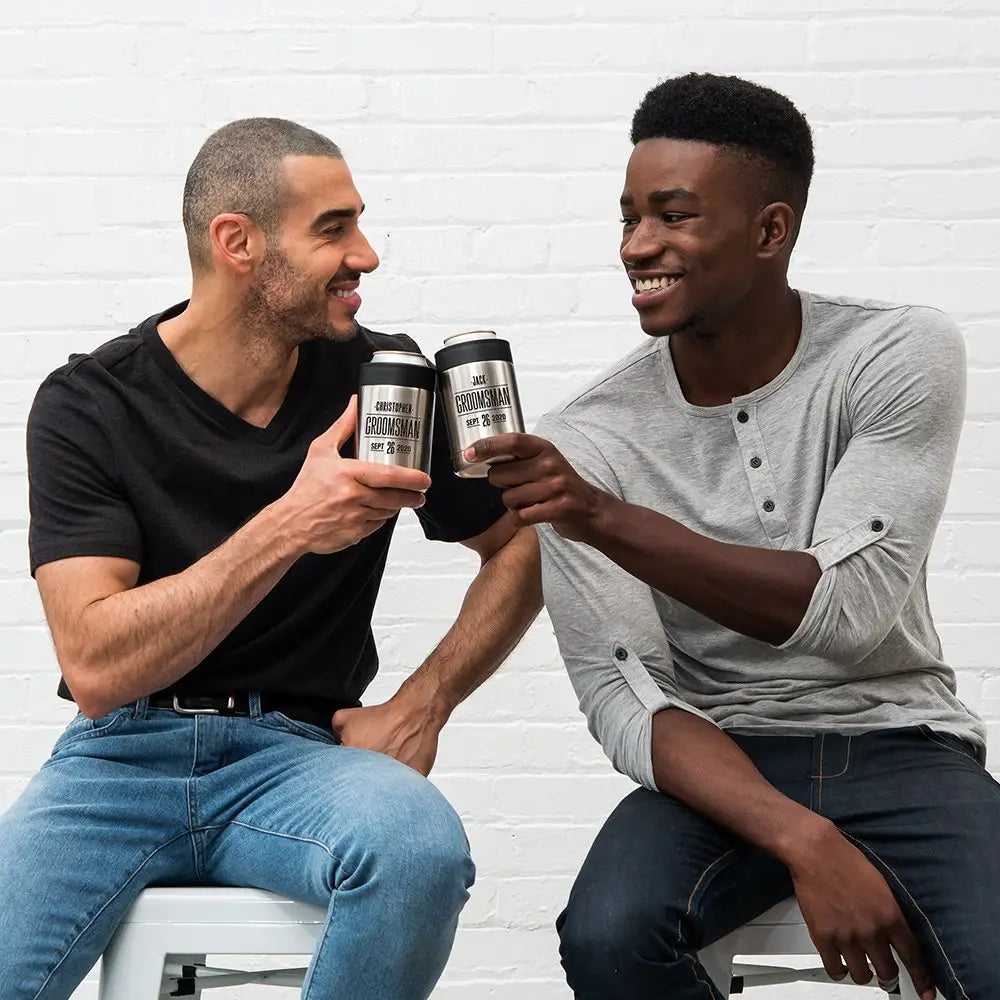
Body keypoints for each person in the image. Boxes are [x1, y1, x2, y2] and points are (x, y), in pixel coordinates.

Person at [467, 73, 997, 1000]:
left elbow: (846, 612)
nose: (638, 246)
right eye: (629, 218)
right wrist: (804, 838)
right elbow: (626, 693)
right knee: (609, 937)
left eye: (673, 217)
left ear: (769, 231)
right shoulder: (588, 436)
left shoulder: (896, 354)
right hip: (720, 758)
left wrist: (602, 516)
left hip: (900, 737)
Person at [1, 117, 541, 1000]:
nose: (364, 255)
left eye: (359, 223)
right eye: (333, 228)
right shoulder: (90, 404)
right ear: (237, 243)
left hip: (300, 757)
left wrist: (425, 701)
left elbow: (519, 539)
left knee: (418, 851)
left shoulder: (387, 383)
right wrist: (293, 522)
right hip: (117, 761)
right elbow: (97, 664)